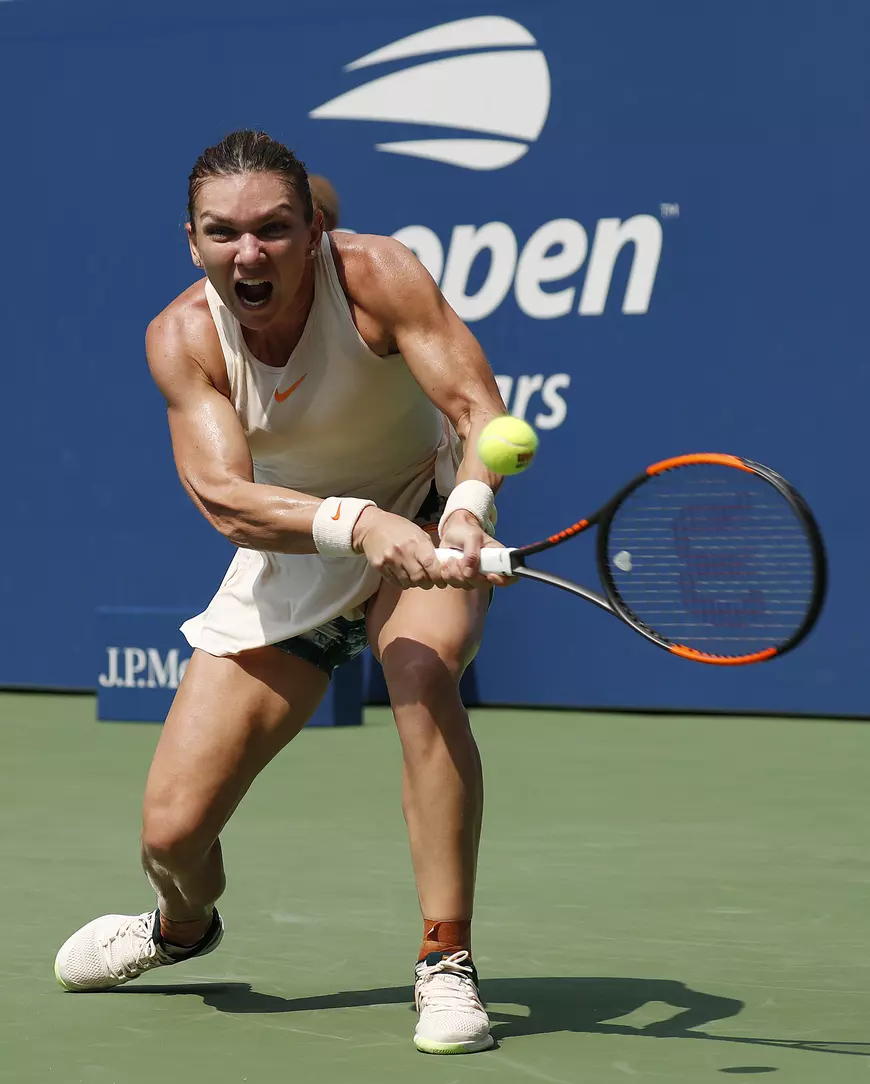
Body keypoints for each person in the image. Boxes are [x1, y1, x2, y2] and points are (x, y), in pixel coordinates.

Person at [54, 131, 511, 1055]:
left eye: (273, 229)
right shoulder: (182, 337)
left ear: (314, 233)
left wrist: (463, 507)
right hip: (299, 553)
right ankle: (179, 928)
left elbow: (478, 411)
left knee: (421, 674)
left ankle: (445, 961)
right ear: (192, 240)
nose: (248, 253)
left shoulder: (379, 275)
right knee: (173, 835)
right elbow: (227, 502)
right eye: (224, 233)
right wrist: (358, 526)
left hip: (423, 506)